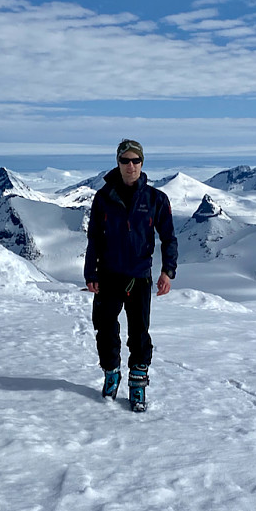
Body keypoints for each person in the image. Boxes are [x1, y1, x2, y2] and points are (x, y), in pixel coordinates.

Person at [84, 138, 178, 411]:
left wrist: (167, 271)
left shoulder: (155, 199)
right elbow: (94, 239)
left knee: (139, 333)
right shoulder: (103, 198)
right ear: (118, 163)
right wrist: (91, 272)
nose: (130, 166)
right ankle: (111, 373)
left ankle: (138, 385)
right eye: (125, 160)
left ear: (142, 163)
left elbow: (169, 237)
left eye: (136, 160)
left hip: (139, 277)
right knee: (105, 329)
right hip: (108, 275)